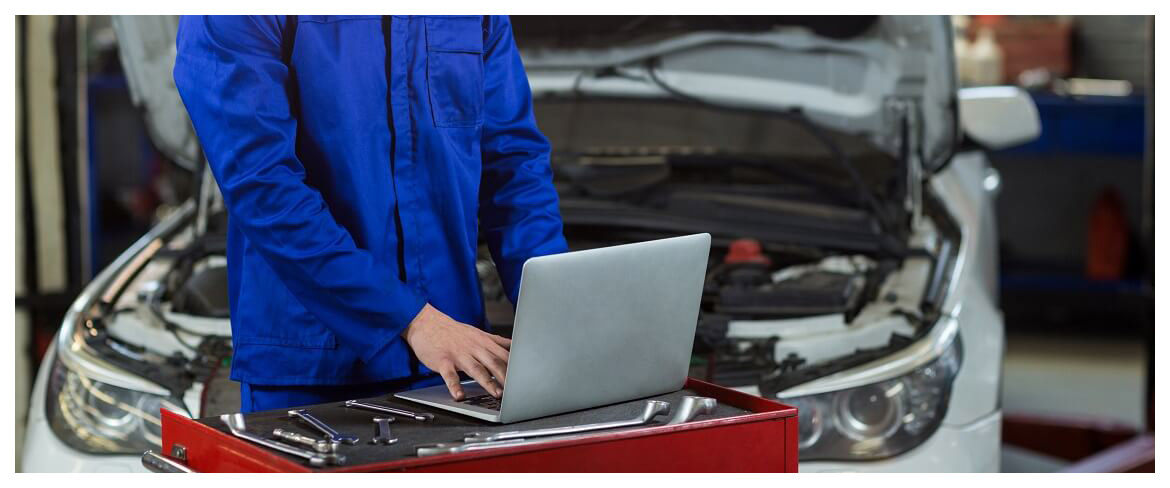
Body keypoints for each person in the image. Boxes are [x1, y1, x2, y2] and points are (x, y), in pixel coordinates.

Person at [173, 15, 568, 412]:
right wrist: (410, 318)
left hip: (458, 359)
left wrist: (559, 312)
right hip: (310, 369)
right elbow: (263, 188)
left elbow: (514, 166)